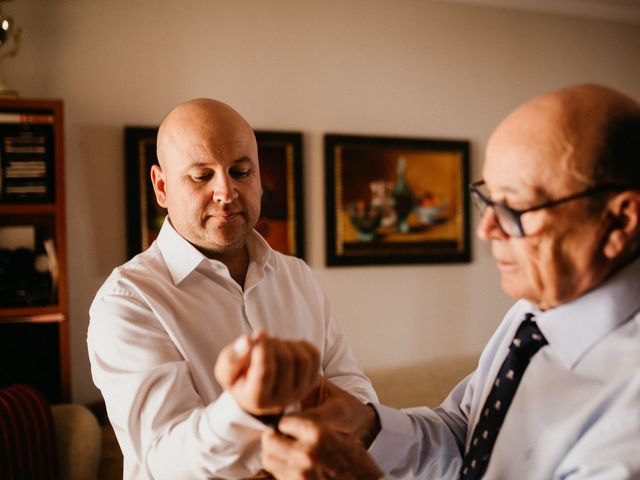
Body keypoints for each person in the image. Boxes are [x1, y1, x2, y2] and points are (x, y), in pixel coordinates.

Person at [254, 84, 640, 479]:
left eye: (516, 206)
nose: (486, 230)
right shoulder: (532, 313)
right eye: (488, 199)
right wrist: (366, 425)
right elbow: (465, 432)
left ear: (620, 220)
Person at [87, 98, 377, 479]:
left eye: (241, 171)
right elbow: (164, 458)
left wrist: (355, 418)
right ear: (161, 187)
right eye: (201, 176)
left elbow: (350, 384)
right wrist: (244, 408)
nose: (226, 192)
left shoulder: (297, 276)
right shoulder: (127, 302)